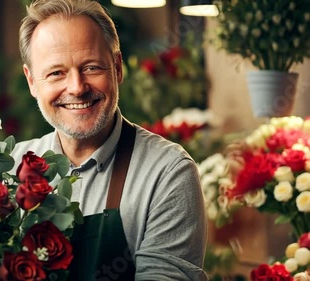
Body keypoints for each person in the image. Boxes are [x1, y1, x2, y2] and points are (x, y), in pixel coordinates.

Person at [11, 0, 208, 280]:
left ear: (117, 68)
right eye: (56, 73)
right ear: (32, 82)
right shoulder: (10, 169)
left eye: (91, 67)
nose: (77, 87)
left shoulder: (167, 173)